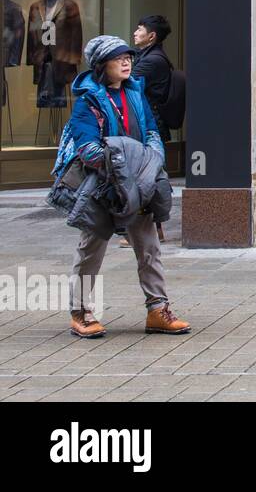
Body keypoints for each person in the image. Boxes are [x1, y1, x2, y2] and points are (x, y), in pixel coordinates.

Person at [54, 35, 190, 338]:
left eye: (128, 56)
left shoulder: (136, 95)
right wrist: (122, 164)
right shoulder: (87, 102)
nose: (127, 61)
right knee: (91, 250)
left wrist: (151, 162)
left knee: (149, 248)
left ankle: (158, 310)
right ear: (103, 65)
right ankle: (81, 312)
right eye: (118, 58)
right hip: (103, 188)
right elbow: (87, 148)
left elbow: (152, 132)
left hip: (138, 185)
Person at [126, 14, 174, 246]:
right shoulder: (147, 56)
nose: (135, 32)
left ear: (151, 35)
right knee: (146, 176)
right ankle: (153, 231)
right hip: (148, 123)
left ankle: (153, 231)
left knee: (148, 177)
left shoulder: (152, 61)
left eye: (139, 29)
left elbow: (126, 82)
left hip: (149, 126)